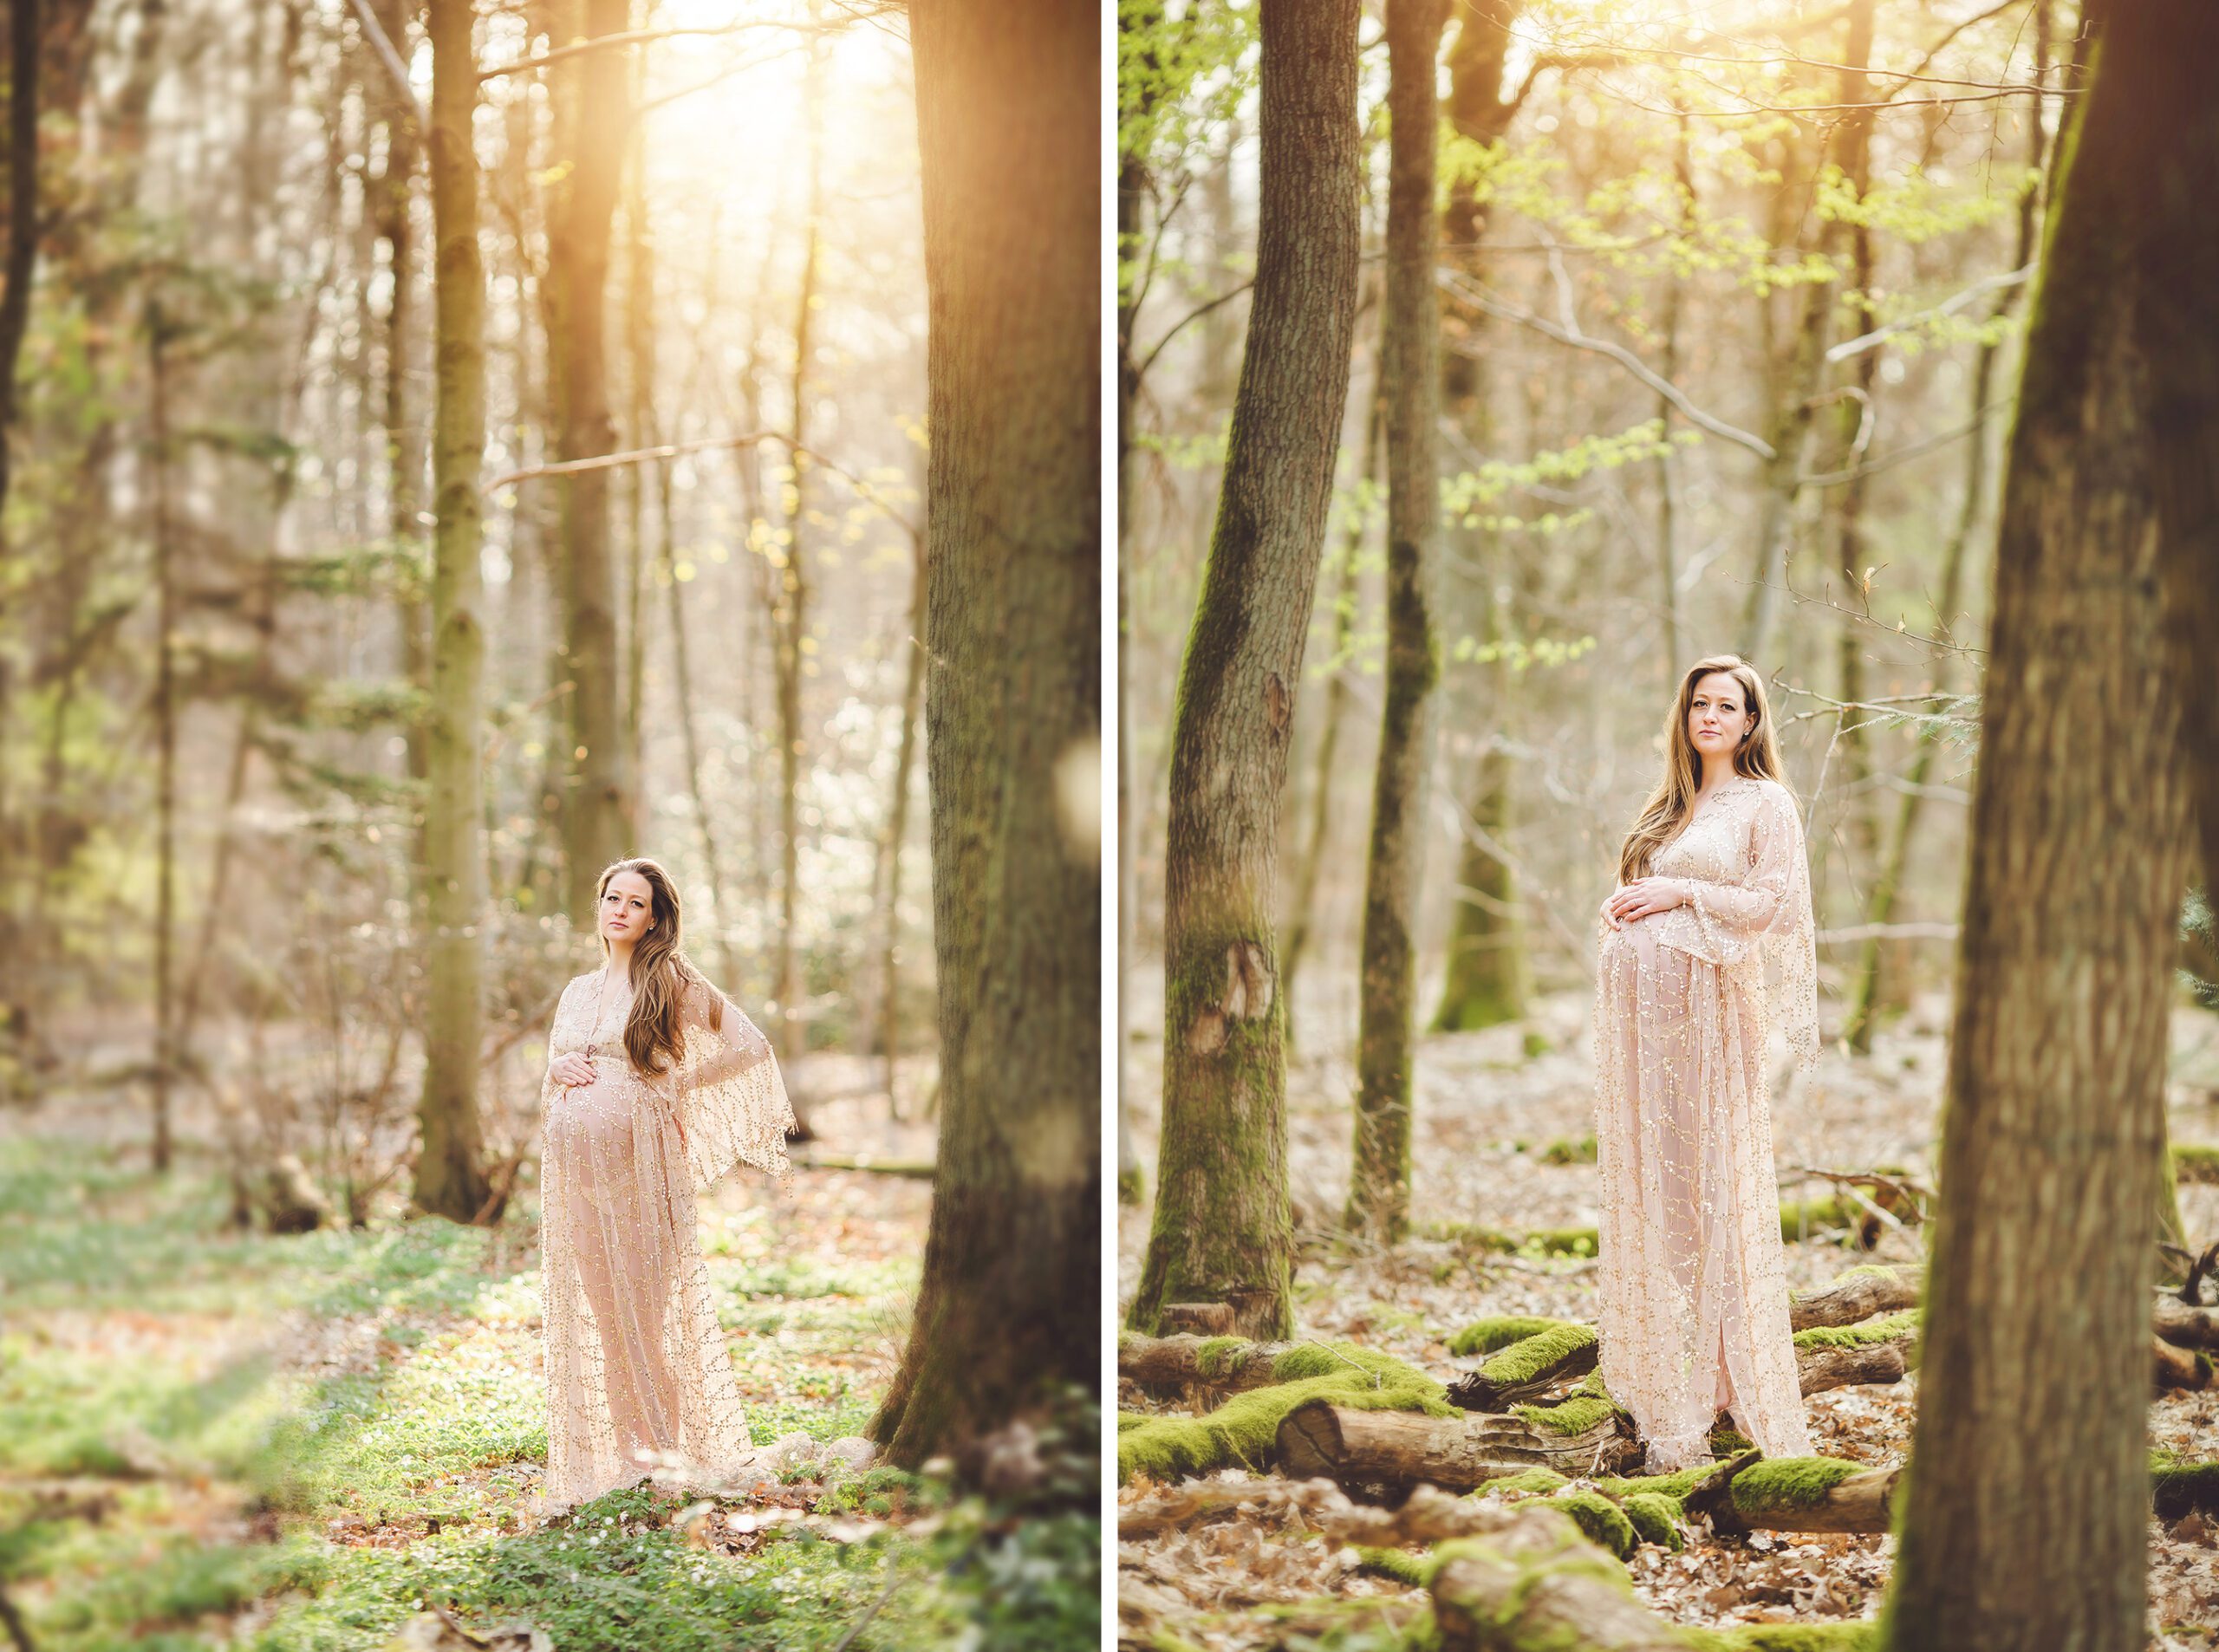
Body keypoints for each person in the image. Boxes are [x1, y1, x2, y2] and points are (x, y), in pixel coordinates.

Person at [1592, 654, 1819, 1472]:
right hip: (1644, 1034)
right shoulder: (1672, 806)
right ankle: (1668, 1371)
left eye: (1728, 705)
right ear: (1683, 716)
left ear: (1753, 722)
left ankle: (1724, 1378)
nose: (1712, 716)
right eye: (1699, 704)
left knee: (1708, 1181)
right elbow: (1643, 890)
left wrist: (1680, 895)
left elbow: (1777, 905)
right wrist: (1629, 907)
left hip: (1710, 1022)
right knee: (1663, 1186)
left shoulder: (1767, 803)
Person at [537, 855, 797, 1510]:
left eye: (635, 902)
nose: (620, 910)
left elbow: (751, 1044)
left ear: (656, 918)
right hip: (577, 1181)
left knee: (644, 1320)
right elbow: (560, 1064)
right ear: (599, 907)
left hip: (642, 1173)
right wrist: (560, 1066)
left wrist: (678, 1084)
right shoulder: (576, 991)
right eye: (612, 898)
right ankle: (628, 1459)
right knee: (606, 1319)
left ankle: (662, 1459)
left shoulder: (670, 980)